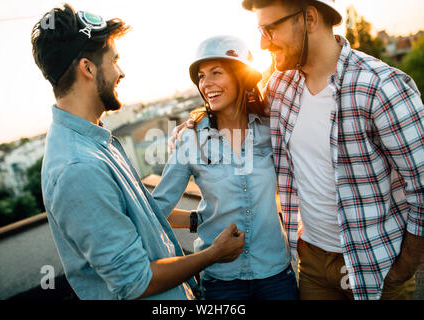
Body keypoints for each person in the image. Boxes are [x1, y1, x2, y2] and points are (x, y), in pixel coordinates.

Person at [171, 0, 423, 300]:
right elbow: (233, 106)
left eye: (270, 29)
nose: (263, 43)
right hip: (311, 266)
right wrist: (195, 122)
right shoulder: (280, 87)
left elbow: (421, 186)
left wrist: (406, 266)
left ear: (310, 18)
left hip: (376, 264)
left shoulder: (381, 86)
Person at [31, 4, 245, 300]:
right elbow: (136, 282)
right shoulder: (78, 166)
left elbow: (137, 216)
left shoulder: (94, 142)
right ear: (88, 69)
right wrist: (214, 254)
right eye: (114, 60)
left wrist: (197, 220)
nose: (121, 72)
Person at [153, 35, 298, 300]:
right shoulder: (191, 138)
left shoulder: (271, 128)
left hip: (276, 277)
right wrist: (195, 220)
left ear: (241, 77)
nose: (206, 84)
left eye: (216, 73)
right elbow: (155, 209)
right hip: (221, 283)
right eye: (201, 76)